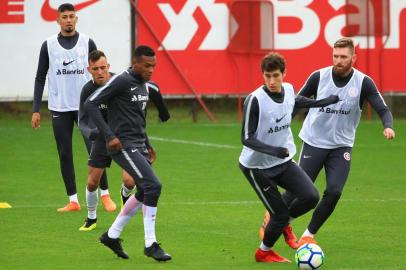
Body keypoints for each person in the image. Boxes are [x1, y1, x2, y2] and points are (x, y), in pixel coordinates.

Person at [261, 37, 396, 247]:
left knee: (334, 191)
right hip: (314, 142)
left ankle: (308, 235)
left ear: (353, 58)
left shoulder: (363, 82)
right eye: (335, 56)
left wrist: (387, 125)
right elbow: (296, 103)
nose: (338, 61)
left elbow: (382, 108)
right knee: (300, 190)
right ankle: (275, 217)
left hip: (341, 146)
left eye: (343, 57)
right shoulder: (319, 77)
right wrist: (280, 127)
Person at [239, 52, 340, 263]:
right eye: (267, 76)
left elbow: (296, 101)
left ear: (284, 73)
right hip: (257, 168)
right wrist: (274, 150)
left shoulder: (289, 90)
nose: (272, 81)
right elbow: (246, 139)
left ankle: (283, 224)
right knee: (280, 214)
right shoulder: (255, 100)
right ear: (263, 75)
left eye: (276, 75)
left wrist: (324, 101)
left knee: (311, 196)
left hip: (283, 161)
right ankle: (263, 252)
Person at [85, 45, 171, 261]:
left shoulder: (145, 85)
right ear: (136, 63)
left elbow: (136, 119)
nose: (151, 70)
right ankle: (150, 244)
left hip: (138, 144)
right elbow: (91, 104)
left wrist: (147, 144)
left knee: (144, 191)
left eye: (154, 66)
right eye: (147, 66)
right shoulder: (122, 80)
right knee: (153, 186)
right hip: (122, 145)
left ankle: (111, 236)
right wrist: (109, 136)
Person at [31, 3, 115, 212]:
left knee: (96, 150)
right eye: (64, 17)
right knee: (65, 153)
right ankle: (73, 200)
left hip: (86, 107)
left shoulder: (87, 42)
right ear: (58, 20)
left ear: (76, 19)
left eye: (71, 16)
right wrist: (35, 109)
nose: (68, 20)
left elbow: (100, 73)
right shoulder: (48, 45)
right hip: (59, 107)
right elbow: (40, 77)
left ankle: (105, 194)